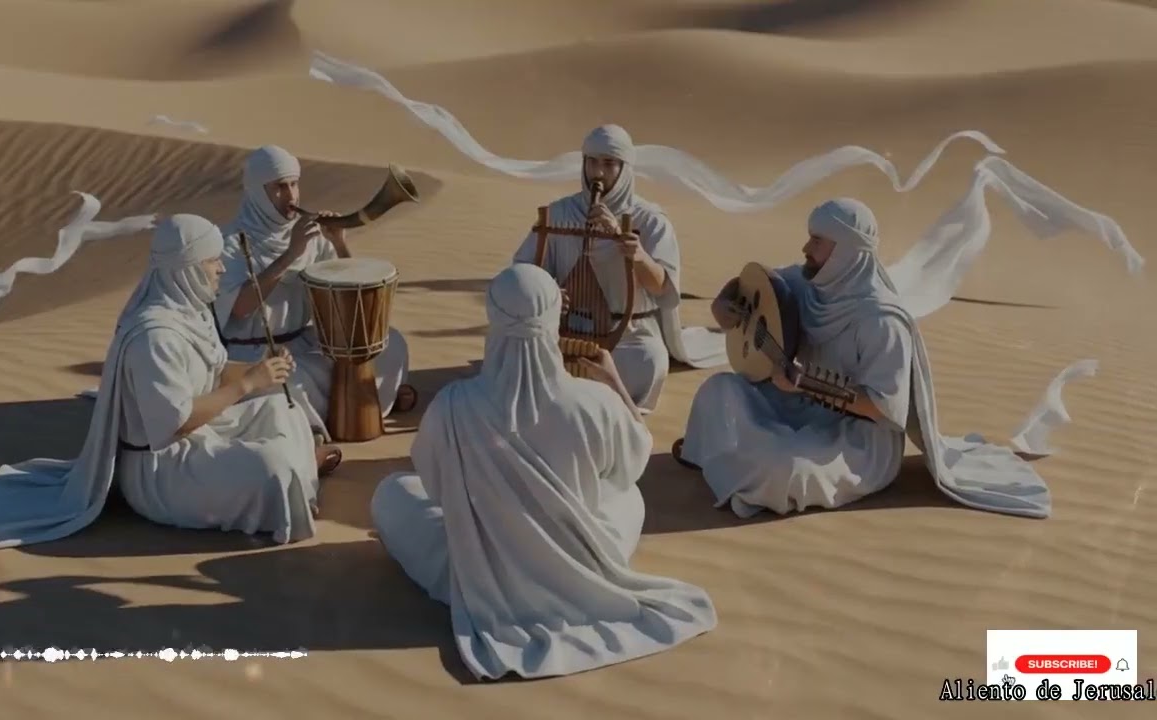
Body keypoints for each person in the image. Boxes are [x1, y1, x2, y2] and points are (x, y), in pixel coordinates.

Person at [369, 264, 717, 681]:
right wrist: (615, 386)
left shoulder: (452, 405)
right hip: (586, 562)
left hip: (475, 573)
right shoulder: (593, 401)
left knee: (391, 494)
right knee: (629, 497)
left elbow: (435, 490)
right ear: (553, 319)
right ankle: (576, 574)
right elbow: (634, 461)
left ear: (493, 318)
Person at [675, 197, 1085, 519]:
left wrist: (810, 384)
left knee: (786, 468)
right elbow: (749, 284)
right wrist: (725, 305)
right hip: (795, 404)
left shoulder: (880, 320)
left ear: (846, 252)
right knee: (718, 390)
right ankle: (730, 458)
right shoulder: (806, 280)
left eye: (817, 241)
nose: (806, 248)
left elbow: (884, 407)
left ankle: (741, 465)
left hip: (857, 436)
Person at [0, 214, 338, 552]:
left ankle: (297, 481)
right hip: (161, 472)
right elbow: (173, 424)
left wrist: (262, 369)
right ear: (184, 268)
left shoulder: (193, 310)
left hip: (201, 436)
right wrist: (247, 384)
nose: (222, 269)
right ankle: (290, 481)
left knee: (282, 406)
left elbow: (218, 371)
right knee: (271, 464)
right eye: (211, 262)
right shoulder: (154, 336)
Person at [512, 124, 727, 413]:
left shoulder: (650, 220)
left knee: (649, 360)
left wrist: (637, 255)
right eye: (592, 162)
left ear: (625, 169)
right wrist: (548, 294)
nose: (598, 173)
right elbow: (522, 275)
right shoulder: (558, 213)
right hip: (564, 328)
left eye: (609, 164)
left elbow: (663, 289)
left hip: (627, 333)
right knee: (513, 352)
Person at [213, 145, 416, 438]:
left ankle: (375, 398)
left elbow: (347, 295)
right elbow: (241, 308)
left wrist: (338, 242)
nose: (292, 196)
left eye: (294, 184)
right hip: (252, 353)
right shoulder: (229, 242)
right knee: (285, 384)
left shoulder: (310, 234)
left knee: (390, 344)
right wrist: (291, 255)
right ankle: (313, 429)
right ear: (258, 192)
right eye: (280, 187)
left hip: (305, 344)